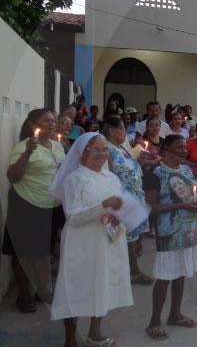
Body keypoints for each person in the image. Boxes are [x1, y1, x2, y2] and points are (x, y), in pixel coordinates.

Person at [49, 133, 132, 347]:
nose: (102, 155)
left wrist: (119, 218)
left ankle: (95, 333)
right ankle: (70, 339)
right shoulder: (74, 179)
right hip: (81, 242)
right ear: (82, 153)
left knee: (101, 285)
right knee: (75, 287)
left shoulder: (111, 178)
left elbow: (121, 207)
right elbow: (74, 217)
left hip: (106, 241)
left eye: (105, 150)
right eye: (97, 150)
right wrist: (104, 205)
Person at [2, 109, 65, 313]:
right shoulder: (23, 147)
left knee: (43, 252)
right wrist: (28, 153)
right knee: (23, 254)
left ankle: (43, 290)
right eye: (46, 121)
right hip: (26, 205)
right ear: (32, 125)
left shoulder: (58, 146)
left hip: (51, 207)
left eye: (54, 121)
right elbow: (13, 176)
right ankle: (24, 294)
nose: (52, 124)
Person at [143, 135, 197, 341]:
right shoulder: (156, 173)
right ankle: (154, 321)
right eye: (179, 147)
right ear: (166, 148)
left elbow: (193, 194)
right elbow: (152, 207)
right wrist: (182, 206)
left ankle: (175, 314)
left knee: (180, 273)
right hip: (168, 231)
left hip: (188, 229)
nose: (183, 150)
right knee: (164, 276)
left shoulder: (186, 170)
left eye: (185, 147)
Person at [103, 116, 153, 285]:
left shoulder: (123, 147)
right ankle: (132, 272)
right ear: (111, 131)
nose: (126, 132)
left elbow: (133, 166)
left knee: (132, 239)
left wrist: (140, 160)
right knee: (123, 239)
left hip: (134, 197)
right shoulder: (107, 149)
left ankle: (128, 271)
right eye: (122, 128)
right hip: (121, 200)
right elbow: (107, 175)